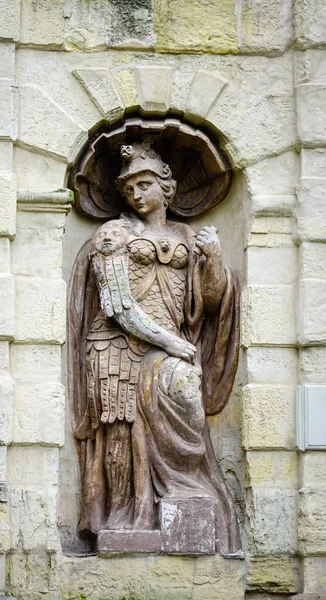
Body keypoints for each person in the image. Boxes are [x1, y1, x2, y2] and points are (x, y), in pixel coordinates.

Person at [68, 143, 241, 553]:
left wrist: (214, 259)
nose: (137, 195)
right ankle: (126, 519)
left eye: (145, 185)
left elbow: (211, 302)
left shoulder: (185, 235)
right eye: (130, 189)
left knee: (185, 393)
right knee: (121, 432)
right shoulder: (113, 234)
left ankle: (183, 492)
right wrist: (171, 342)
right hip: (117, 347)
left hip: (172, 345)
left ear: (167, 188)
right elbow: (118, 306)